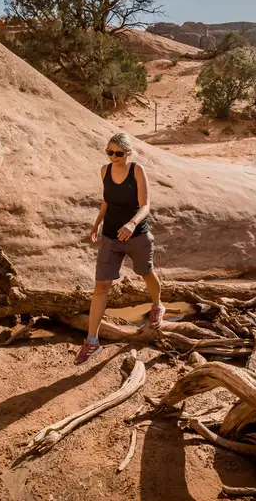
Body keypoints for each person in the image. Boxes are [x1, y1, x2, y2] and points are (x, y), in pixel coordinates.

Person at [75, 132, 164, 365]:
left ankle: (157, 305)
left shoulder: (137, 171)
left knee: (145, 272)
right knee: (101, 286)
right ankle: (92, 342)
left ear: (128, 153)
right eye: (109, 152)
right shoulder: (104, 171)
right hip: (110, 236)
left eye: (118, 153)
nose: (113, 157)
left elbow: (145, 205)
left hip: (137, 234)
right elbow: (107, 201)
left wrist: (132, 223)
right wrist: (96, 224)